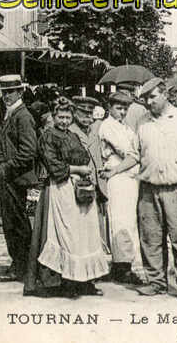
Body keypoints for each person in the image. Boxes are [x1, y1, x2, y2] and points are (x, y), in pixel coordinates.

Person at [109, 77, 177, 301]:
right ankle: (156, 282)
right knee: (151, 239)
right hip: (149, 190)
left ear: (165, 95)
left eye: (152, 97)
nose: (148, 102)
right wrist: (115, 171)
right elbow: (134, 154)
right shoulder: (142, 122)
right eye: (145, 98)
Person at [24, 97, 109, 298]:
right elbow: (53, 165)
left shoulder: (72, 135)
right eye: (60, 117)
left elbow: (85, 156)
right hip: (60, 189)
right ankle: (60, 282)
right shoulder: (47, 136)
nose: (64, 120)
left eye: (67, 116)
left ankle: (83, 281)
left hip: (79, 189)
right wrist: (77, 168)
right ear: (54, 117)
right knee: (64, 235)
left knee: (84, 236)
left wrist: (84, 170)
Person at [0, 74, 38, 282]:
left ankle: (22, 266)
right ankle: (20, 263)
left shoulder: (22, 116)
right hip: (9, 176)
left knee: (16, 222)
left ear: (20, 92)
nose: (6, 96)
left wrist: (7, 165)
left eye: (10, 92)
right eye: (4, 92)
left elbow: (29, 151)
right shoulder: (10, 113)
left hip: (15, 177)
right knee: (11, 221)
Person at [99, 92, 143, 283]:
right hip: (117, 175)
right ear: (110, 107)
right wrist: (135, 152)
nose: (123, 112)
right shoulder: (107, 126)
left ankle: (126, 263)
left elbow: (136, 146)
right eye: (119, 108)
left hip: (130, 176)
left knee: (129, 221)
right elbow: (127, 150)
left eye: (125, 108)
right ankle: (121, 265)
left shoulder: (124, 126)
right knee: (121, 220)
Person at [70, 96, 109, 252]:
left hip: (97, 183)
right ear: (75, 112)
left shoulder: (97, 130)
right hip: (78, 183)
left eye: (89, 113)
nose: (87, 116)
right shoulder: (70, 131)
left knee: (97, 224)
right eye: (83, 112)